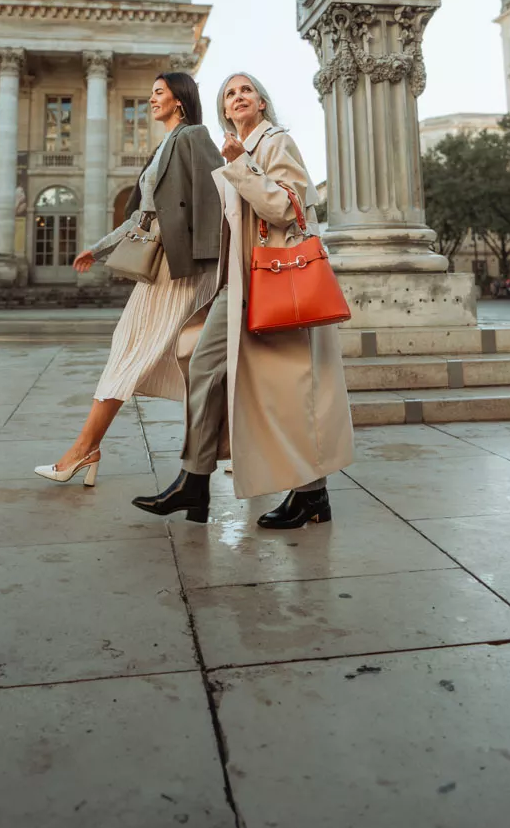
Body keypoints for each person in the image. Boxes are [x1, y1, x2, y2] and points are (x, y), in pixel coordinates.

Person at [132, 72, 354, 529]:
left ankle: (309, 494)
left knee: (285, 389)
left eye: (246, 90)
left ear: (262, 102)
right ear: (223, 110)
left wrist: (241, 166)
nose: (238, 97)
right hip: (239, 283)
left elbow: (286, 208)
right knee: (207, 367)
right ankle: (195, 481)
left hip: (272, 283)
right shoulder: (238, 150)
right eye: (229, 93)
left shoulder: (275, 143)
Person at [34, 72, 223, 485]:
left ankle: (84, 450)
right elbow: (143, 216)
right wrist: (99, 248)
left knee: (143, 352)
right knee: (141, 350)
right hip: (159, 267)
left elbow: (216, 200)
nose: (151, 99)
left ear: (179, 99)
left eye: (158, 93)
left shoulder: (194, 137)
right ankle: (87, 449)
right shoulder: (164, 146)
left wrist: (213, 267)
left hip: (182, 268)